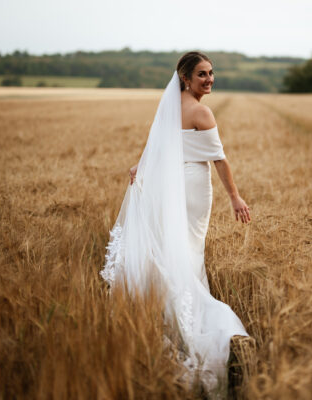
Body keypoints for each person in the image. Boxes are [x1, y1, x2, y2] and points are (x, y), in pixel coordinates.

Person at [100, 51, 250, 399]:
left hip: (169, 187)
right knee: (189, 249)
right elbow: (219, 160)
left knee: (173, 247)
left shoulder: (170, 105)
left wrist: (142, 167)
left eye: (211, 73)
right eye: (201, 75)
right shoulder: (202, 111)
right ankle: (192, 317)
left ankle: (164, 308)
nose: (209, 80)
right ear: (185, 78)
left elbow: (157, 144)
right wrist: (235, 198)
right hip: (193, 190)